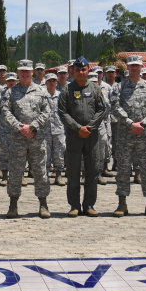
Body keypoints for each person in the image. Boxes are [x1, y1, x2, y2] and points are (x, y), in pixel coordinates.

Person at [1, 59, 53, 218]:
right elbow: (5, 112)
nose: (24, 73)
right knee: (15, 172)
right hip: (17, 140)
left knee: (40, 171)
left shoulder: (41, 91)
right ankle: (13, 205)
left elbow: (47, 112)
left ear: (32, 72)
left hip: (37, 138)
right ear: (17, 72)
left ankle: (43, 204)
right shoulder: (10, 92)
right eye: (21, 70)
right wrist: (19, 127)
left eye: (27, 70)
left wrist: (32, 127)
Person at [111, 54, 146, 217]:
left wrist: (144, 123)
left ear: (141, 68)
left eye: (137, 65)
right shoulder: (119, 87)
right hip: (125, 135)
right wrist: (130, 123)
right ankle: (122, 204)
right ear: (127, 67)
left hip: (145, 136)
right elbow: (115, 107)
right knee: (123, 170)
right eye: (132, 65)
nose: (134, 68)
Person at [58, 56, 108, 216]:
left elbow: (102, 109)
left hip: (92, 136)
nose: (80, 72)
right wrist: (78, 128)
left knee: (92, 170)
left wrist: (90, 127)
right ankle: (74, 205)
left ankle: (89, 205)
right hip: (74, 136)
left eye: (83, 69)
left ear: (88, 71)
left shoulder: (95, 89)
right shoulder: (67, 90)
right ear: (73, 71)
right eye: (78, 69)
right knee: (73, 171)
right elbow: (62, 112)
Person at [43, 73, 66, 185]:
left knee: (59, 153)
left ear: (56, 83)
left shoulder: (62, 96)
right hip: (45, 130)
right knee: (45, 154)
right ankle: (45, 176)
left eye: (53, 80)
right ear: (46, 82)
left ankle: (58, 175)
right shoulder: (42, 96)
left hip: (58, 129)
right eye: (49, 81)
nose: (51, 83)